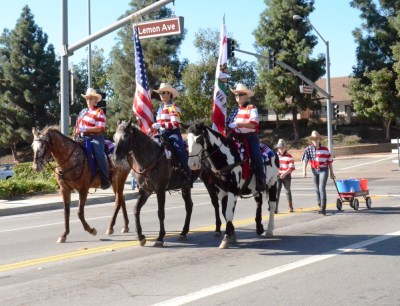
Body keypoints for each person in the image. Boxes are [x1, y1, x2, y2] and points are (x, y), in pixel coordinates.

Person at [226, 83, 266, 192]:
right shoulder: (234, 110)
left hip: (249, 137)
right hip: (235, 136)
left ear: (246, 96)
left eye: (241, 95)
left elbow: (254, 124)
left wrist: (239, 125)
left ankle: (260, 179)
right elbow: (228, 123)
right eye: (236, 95)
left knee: (256, 155)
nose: (238, 97)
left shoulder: (251, 108)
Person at [152, 83, 191, 184]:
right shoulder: (160, 108)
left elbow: (175, 123)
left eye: (164, 92)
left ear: (170, 94)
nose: (161, 94)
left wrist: (161, 125)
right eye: (160, 93)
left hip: (172, 133)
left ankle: (188, 174)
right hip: (161, 133)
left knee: (179, 149)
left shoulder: (173, 107)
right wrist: (154, 128)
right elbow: (159, 123)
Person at [76, 88, 110, 190]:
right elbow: (77, 126)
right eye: (87, 98)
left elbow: (100, 127)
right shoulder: (83, 112)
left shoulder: (98, 111)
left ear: (95, 100)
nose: (88, 101)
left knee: (98, 154)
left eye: (91, 99)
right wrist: (77, 131)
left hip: (95, 138)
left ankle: (105, 177)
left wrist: (85, 128)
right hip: (81, 137)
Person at [301, 130, 335, 215]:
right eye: (313, 139)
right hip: (314, 170)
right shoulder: (308, 149)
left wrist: (332, 173)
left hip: (324, 169)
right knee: (316, 189)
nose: (315, 140)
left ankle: (323, 207)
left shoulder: (325, 150)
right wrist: (304, 171)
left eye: (317, 139)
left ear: (319, 139)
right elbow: (305, 160)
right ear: (311, 140)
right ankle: (320, 204)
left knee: (321, 187)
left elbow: (329, 162)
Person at [275, 139, 295, 214]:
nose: (281, 149)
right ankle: (275, 208)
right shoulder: (275, 156)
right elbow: (273, 166)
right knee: (277, 191)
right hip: (278, 175)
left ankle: (290, 206)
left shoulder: (289, 156)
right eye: (279, 148)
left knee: (287, 191)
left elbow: (291, 167)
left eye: (282, 147)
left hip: (286, 175)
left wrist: (284, 174)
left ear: (285, 148)